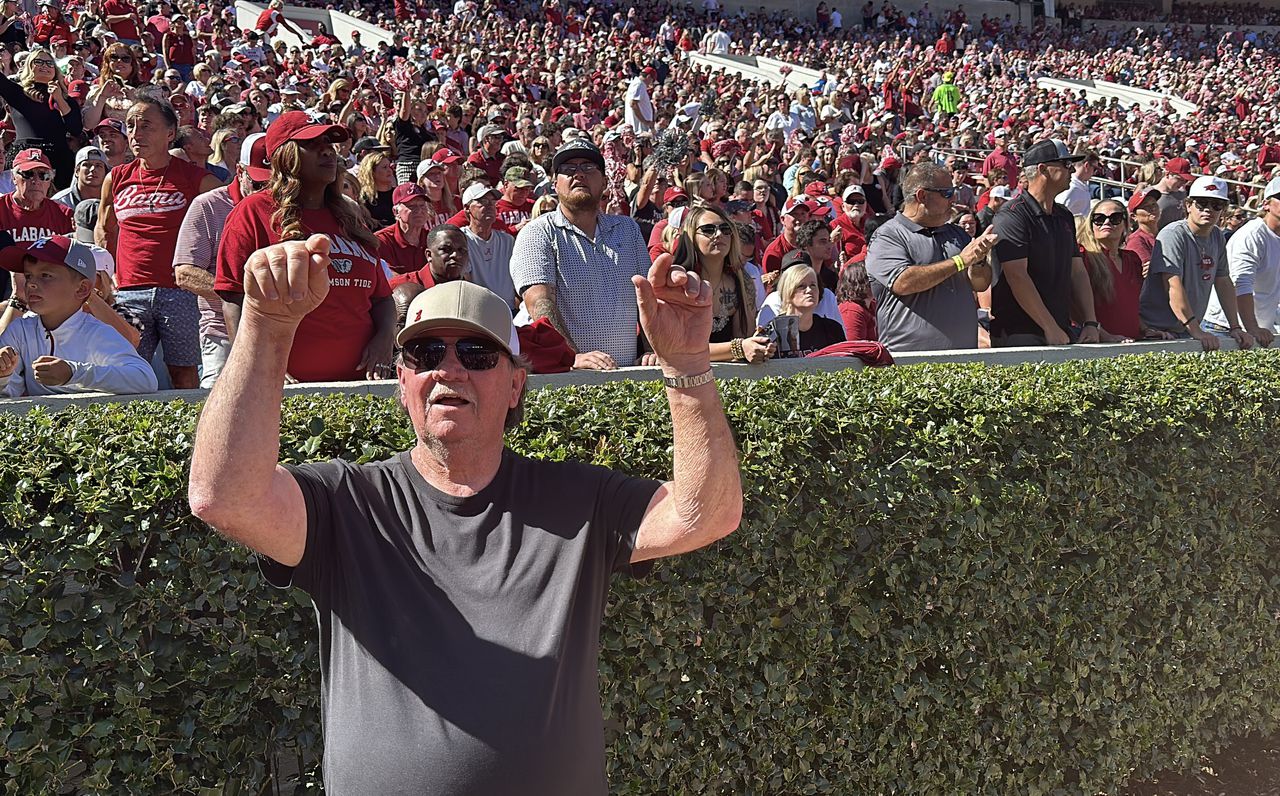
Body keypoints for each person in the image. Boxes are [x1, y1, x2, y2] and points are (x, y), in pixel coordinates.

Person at [188, 237, 742, 793]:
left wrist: (688, 364)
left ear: (516, 384)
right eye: (426, 355)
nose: (449, 370)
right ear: (403, 383)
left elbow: (705, 515)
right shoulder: (347, 502)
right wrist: (266, 326)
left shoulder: (578, 500)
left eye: (475, 355)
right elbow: (225, 497)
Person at [213, 111, 395, 382]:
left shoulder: (350, 216)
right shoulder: (253, 212)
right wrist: (256, 360)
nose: (327, 152)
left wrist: (384, 339)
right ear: (285, 156)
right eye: (312, 144)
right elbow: (232, 298)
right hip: (285, 387)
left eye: (329, 144)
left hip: (363, 383)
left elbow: (382, 298)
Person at [97, 95, 223, 390]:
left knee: (184, 372)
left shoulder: (198, 180)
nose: (136, 133)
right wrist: (108, 275)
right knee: (125, 371)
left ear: (170, 132)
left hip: (179, 292)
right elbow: (105, 229)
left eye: (146, 125)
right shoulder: (115, 178)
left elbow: (229, 222)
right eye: (130, 125)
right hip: (128, 292)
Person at [511, 139, 650, 370]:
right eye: (568, 169)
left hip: (628, 372)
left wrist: (650, 350)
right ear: (555, 183)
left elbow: (646, 296)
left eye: (588, 167)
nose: (579, 174)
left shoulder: (628, 229)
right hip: (567, 377)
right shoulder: (536, 232)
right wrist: (571, 356)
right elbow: (539, 302)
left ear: (605, 182)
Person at [0, 235, 156, 397]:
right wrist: (3, 376)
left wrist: (74, 373)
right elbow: (9, 394)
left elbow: (145, 379)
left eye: (46, 275)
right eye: (28, 276)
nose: (31, 284)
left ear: (82, 289)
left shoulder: (97, 332)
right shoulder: (19, 330)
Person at [174, 132, 270, 389]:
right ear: (239, 171)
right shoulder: (207, 205)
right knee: (218, 402)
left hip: (278, 328)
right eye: (259, 183)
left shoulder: (286, 204)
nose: (268, 192)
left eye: (275, 183)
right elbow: (184, 272)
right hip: (222, 330)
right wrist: (241, 295)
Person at [865, 162, 996, 351]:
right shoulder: (888, 235)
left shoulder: (957, 234)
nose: (954, 200)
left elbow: (980, 284)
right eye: (947, 194)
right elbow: (903, 282)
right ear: (922, 196)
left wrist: (979, 260)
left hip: (963, 358)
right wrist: (960, 261)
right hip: (909, 361)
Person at [990, 140, 1101, 347]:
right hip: (1020, 332)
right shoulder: (1013, 215)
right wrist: (1049, 327)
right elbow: (1017, 275)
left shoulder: (1064, 215)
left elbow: (1077, 271)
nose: (1072, 170)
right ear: (1043, 169)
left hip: (1059, 328)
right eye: (1065, 165)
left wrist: (1090, 322)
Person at [1138, 176, 1252, 352]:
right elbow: (1172, 285)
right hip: (1156, 331)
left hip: (1185, 329)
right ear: (1188, 205)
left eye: (1216, 205)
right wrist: (1196, 330)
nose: (1208, 209)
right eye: (1202, 203)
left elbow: (1223, 281)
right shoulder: (1173, 234)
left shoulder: (1216, 235)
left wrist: (1235, 327)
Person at [647, 202, 769, 364]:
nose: (718, 234)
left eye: (725, 229)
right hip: (683, 374)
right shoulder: (678, 280)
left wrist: (758, 347)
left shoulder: (742, 280)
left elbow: (745, 339)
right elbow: (678, 348)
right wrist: (739, 348)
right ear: (690, 237)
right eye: (708, 230)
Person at [1203, 175, 1280, 347]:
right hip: (1227, 328)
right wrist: (1252, 328)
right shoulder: (1252, 235)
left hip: (1258, 329)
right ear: (1266, 204)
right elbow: (1240, 283)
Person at [0, 46, 82, 189]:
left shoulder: (67, 101)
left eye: (50, 63)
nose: (45, 66)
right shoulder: (17, 93)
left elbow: (75, 129)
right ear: (29, 66)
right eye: (39, 62)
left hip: (58, 160)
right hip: (23, 156)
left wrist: (59, 99)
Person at [1075, 198, 1142, 341]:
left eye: (1115, 218)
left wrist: (1146, 329)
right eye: (1099, 218)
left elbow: (1131, 306)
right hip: (1096, 345)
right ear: (1091, 225)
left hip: (1132, 345)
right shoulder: (1083, 256)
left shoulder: (1132, 259)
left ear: (1125, 224)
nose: (1107, 222)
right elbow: (1072, 305)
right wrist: (1104, 335)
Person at [460, 182, 517, 309]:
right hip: (479, 310)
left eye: (492, 202)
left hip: (508, 309)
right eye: (483, 202)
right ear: (467, 208)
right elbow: (466, 280)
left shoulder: (507, 241)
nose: (490, 206)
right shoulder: (461, 240)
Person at [774, 262, 846, 353]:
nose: (809, 290)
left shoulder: (833, 330)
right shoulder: (774, 332)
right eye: (801, 286)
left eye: (813, 285)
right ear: (787, 292)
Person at [376, 182, 432, 276]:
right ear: (396, 212)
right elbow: (390, 277)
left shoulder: (431, 238)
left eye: (422, 205)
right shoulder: (382, 241)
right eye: (412, 206)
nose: (419, 210)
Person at [1123, 186, 1161, 277]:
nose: (1153, 209)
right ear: (1134, 216)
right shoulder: (1136, 241)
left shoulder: (1164, 234)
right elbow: (1149, 272)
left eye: (1154, 204)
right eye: (1146, 206)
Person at [836, 260, 878, 341]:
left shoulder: (872, 305)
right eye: (873, 278)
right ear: (861, 282)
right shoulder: (851, 311)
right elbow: (855, 347)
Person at [1055, 150, 1097, 218]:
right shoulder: (1070, 188)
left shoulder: (1081, 186)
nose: (1094, 173)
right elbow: (1057, 215)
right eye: (1094, 169)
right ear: (1087, 166)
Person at [1155, 157, 1194, 231]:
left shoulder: (1182, 194)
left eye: (1185, 181)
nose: (1183, 183)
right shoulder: (1151, 196)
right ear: (1167, 174)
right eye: (1179, 179)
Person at [625, 66, 656, 134]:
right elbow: (633, 104)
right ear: (648, 76)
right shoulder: (639, 84)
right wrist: (644, 121)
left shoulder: (638, 84)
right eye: (652, 80)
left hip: (640, 127)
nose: (651, 82)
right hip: (639, 128)